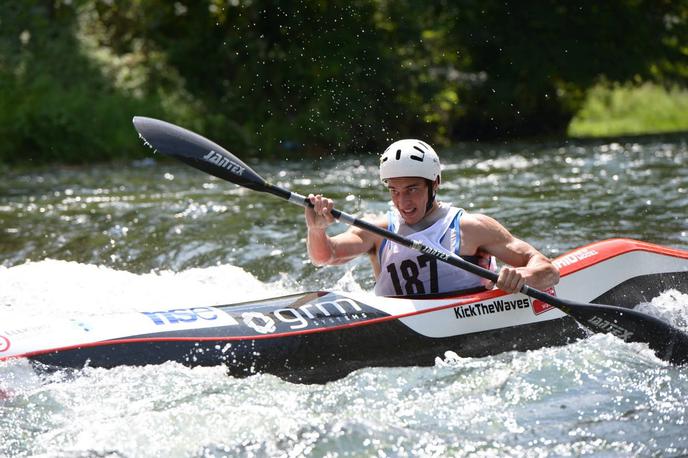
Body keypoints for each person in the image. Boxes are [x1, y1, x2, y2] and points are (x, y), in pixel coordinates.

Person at [305, 139, 559, 296]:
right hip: (399, 327)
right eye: (395, 191)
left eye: (412, 189)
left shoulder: (470, 228)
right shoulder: (377, 230)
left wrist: (522, 277)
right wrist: (316, 230)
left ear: (434, 183)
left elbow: (547, 269)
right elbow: (325, 256)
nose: (403, 202)